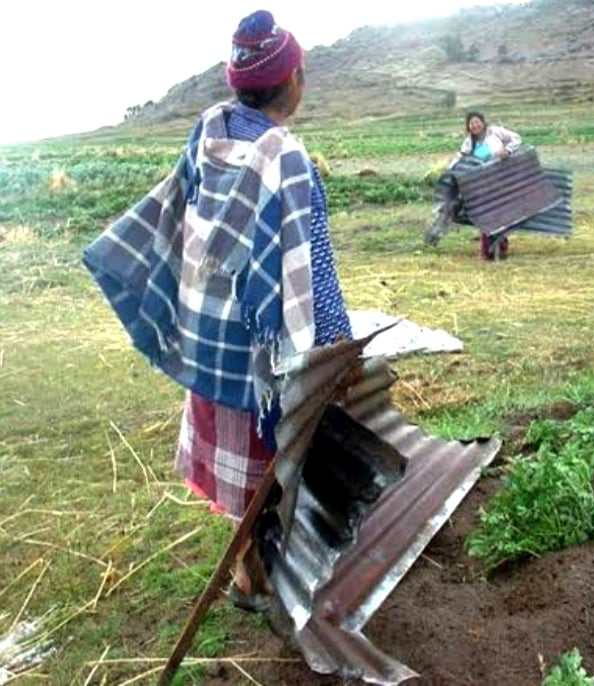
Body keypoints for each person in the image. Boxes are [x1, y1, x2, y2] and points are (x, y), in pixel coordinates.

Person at [84, 10, 350, 610]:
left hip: (207, 336)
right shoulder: (285, 157)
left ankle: (247, 572)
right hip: (255, 353)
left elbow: (180, 213)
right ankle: (259, 574)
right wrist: (336, 345)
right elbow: (313, 266)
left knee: (236, 460)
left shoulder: (208, 130)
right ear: (293, 81)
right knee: (271, 462)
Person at [428, 112, 523, 260]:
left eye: (477, 122)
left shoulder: (495, 132)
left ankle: (498, 249)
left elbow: (516, 138)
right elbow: (460, 158)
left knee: (495, 214)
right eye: (471, 123)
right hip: (482, 183)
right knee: (486, 215)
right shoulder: (469, 142)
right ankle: (490, 251)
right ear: (468, 127)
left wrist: (508, 150)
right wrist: (449, 172)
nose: (475, 125)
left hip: (500, 178)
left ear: (483, 123)